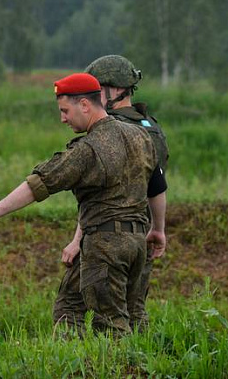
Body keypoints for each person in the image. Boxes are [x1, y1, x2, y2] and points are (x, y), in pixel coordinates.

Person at [0, 72, 167, 336]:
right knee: (127, 314)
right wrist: (158, 229)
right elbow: (157, 187)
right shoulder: (140, 136)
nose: (62, 118)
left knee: (112, 328)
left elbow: (39, 184)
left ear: (84, 105)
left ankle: (122, 368)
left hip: (105, 246)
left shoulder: (88, 150)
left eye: (65, 110)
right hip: (137, 243)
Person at [51, 54, 168, 330]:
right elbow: (157, 185)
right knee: (134, 309)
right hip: (141, 235)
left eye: (97, 87)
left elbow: (100, 194)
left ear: (113, 90)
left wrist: (76, 240)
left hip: (104, 235)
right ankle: (142, 364)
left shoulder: (109, 131)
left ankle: (76, 367)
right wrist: (159, 229)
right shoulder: (150, 128)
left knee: (71, 306)